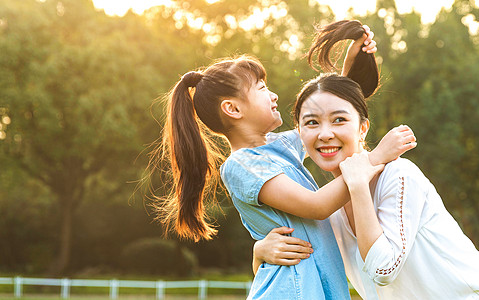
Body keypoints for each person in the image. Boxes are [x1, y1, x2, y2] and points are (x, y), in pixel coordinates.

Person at [154, 20, 416, 299]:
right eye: (262, 88)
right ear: (233, 109)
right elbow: (316, 206)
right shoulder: (242, 165)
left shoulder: (278, 145)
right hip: (291, 290)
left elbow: (325, 120)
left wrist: (352, 61)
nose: (274, 94)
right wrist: (375, 157)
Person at [254, 70, 479, 299]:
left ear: (363, 128)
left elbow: (383, 270)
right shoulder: (325, 207)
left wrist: (358, 184)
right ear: (300, 134)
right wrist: (259, 253)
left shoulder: (400, 176)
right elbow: (302, 272)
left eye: (339, 120)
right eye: (312, 122)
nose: (325, 133)